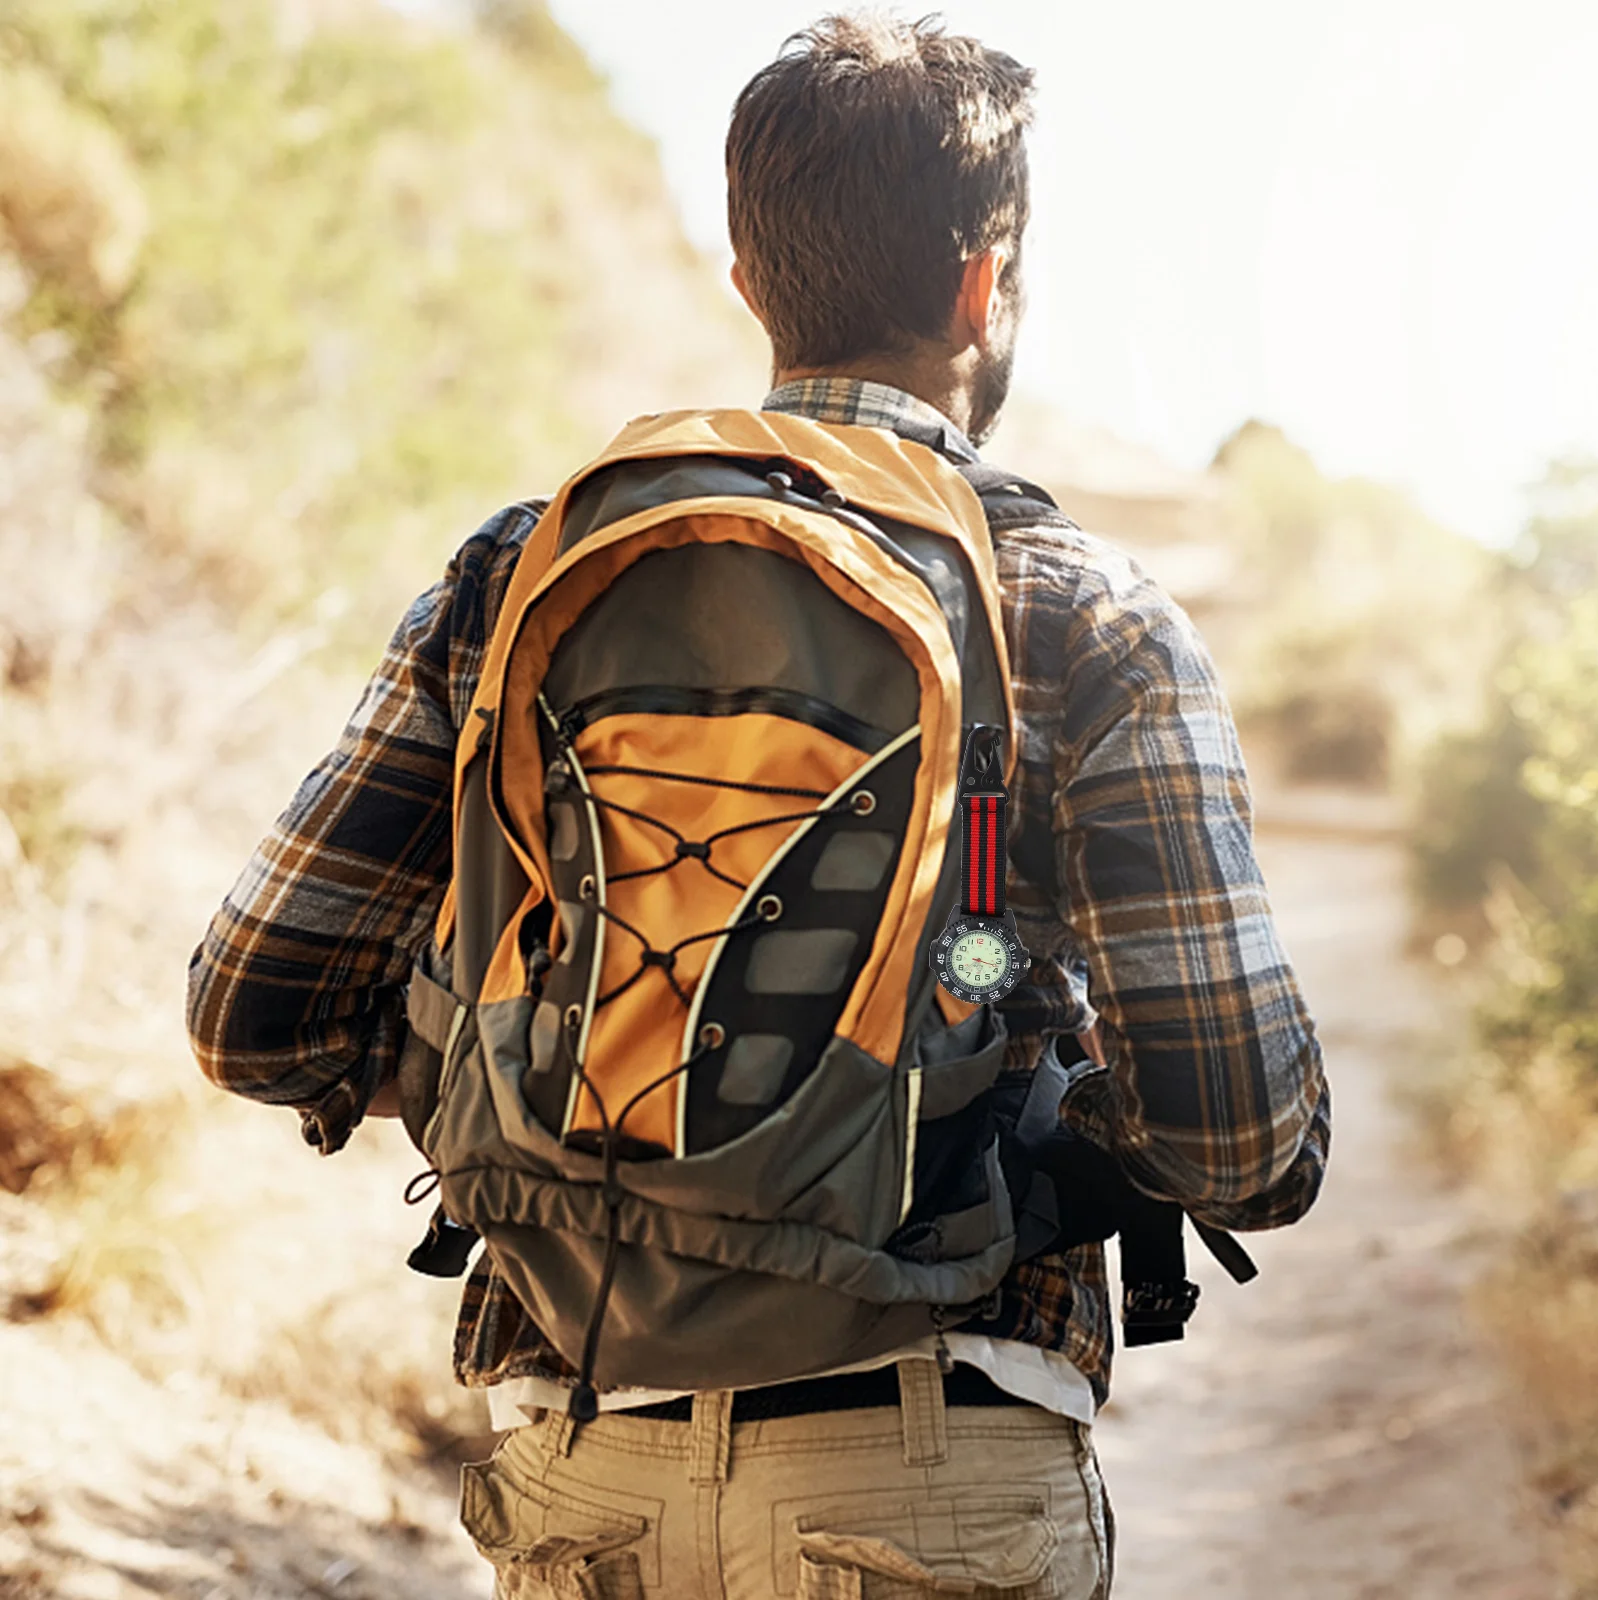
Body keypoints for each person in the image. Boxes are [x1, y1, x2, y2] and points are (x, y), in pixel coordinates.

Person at [187, 14, 1330, 1598]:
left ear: (751, 281)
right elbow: (1247, 1136)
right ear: (984, 283)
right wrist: (999, 1131)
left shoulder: (518, 573)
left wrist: (547, 1104)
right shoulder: (1085, 611)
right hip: (935, 1462)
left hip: (584, 1469)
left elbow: (254, 1010)